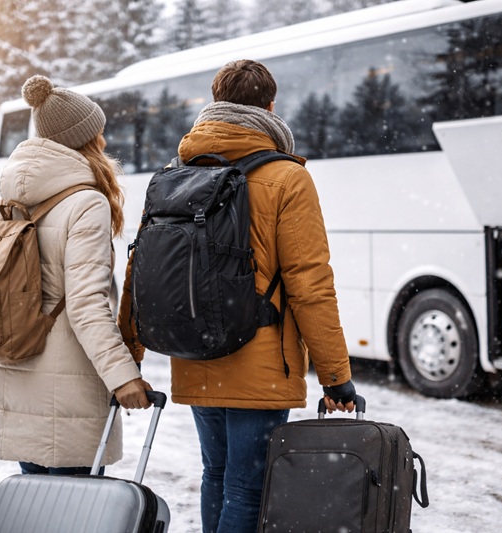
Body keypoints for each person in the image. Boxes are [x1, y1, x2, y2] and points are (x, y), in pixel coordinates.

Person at [118, 59, 356, 533]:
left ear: (215, 102)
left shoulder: (175, 172)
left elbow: (139, 272)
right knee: (247, 488)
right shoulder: (287, 177)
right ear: (270, 107)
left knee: (216, 475)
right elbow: (310, 284)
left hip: (196, 349)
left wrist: (130, 355)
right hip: (260, 360)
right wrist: (336, 377)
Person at [0, 75, 153, 477]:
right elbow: (86, 305)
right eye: (99, 133)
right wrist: (123, 377)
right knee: (78, 504)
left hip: (17, 368)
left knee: (39, 503)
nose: (105, 142)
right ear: (83, 139)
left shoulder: (12, 197)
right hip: (68, 389)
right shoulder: (86, 203)